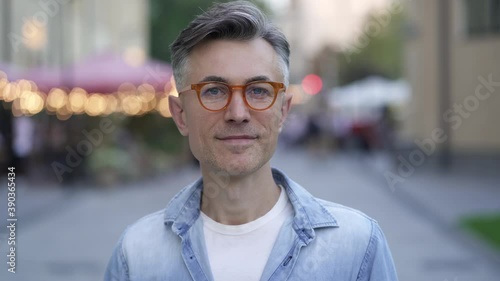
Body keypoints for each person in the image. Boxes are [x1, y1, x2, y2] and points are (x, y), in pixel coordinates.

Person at [104, 1, 398, 280]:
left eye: (258, 91)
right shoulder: (137, 256)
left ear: (283, 111)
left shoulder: (356, 248)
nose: (237, 113)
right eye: (214, 91)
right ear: (181, 115)